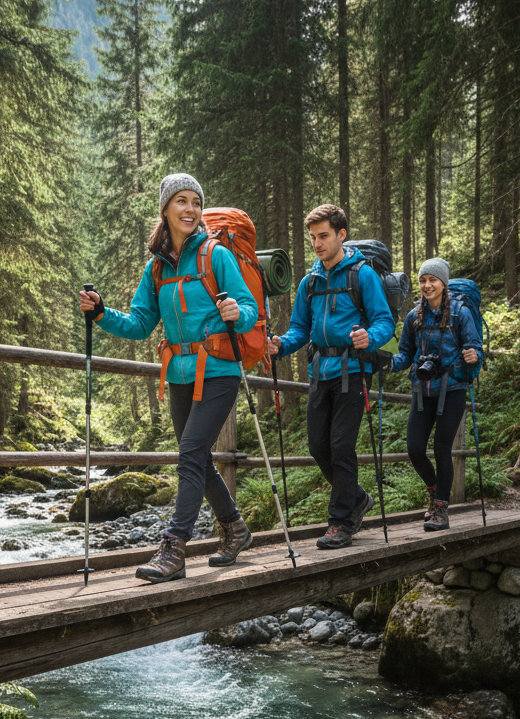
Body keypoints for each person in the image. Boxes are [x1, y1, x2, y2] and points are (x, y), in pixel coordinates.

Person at [79, 173, 259, 583]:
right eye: (182, 201)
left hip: (218, 370)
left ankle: (174, 548)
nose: (191, 209)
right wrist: (102, 313)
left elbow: (248, 307)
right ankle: (235, 528)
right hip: (179, 373)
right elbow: (141, 323)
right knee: (197, 457)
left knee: (190, 454)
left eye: (196, 202)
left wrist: (238, 313)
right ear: (165, 209)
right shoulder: (157, 268)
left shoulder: (216, 255)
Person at [266, 205, 395, 549]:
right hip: (319, 372)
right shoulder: (309, 282)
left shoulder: (362, 275)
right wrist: (280, 345)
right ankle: (357, 499)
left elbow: (384, 321)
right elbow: (299, 329)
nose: (317, 244)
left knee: (340, 446)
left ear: (341, 235)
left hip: (353, 371)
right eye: (313, 238)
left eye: (323, 236)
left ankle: (341, 523)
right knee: (318, 446)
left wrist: (370, 337)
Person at [389, 257, 482, 531]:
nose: (427, 285)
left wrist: (474, 355)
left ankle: (441, 508)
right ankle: (433, 490)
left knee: (442, 449)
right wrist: (388, 363)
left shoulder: (460, 314)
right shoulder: (413, 317)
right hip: (422, 389)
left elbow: (476, 348)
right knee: (415, 449)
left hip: (452, 389)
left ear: (444, 282)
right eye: (423, 280)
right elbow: (405, 354)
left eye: (433, 280)